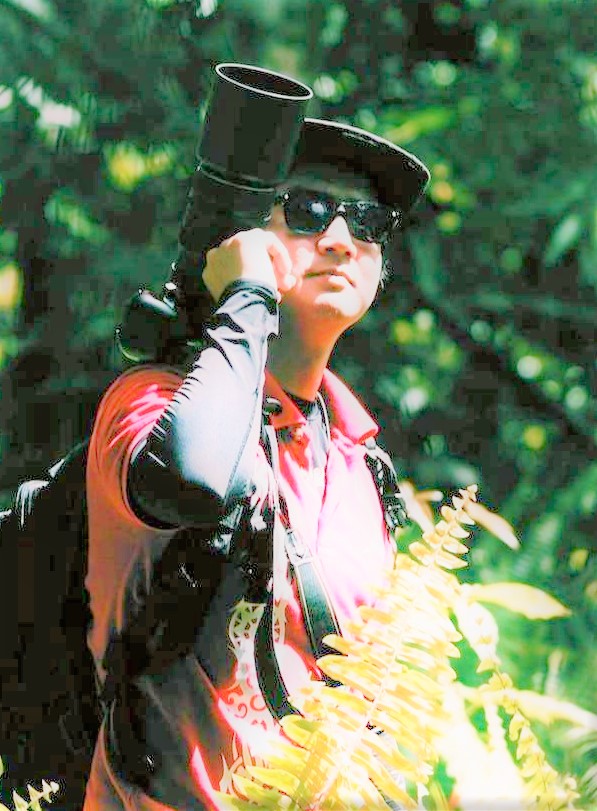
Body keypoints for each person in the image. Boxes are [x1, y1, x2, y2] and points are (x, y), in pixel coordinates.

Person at [82, 117, 430, 810]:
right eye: (306, 210)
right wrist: (245, 295)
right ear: (242, 237)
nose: (340, 239)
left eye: (366, 222)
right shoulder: (154, 402)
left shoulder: (363, 465)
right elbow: (193, 480)